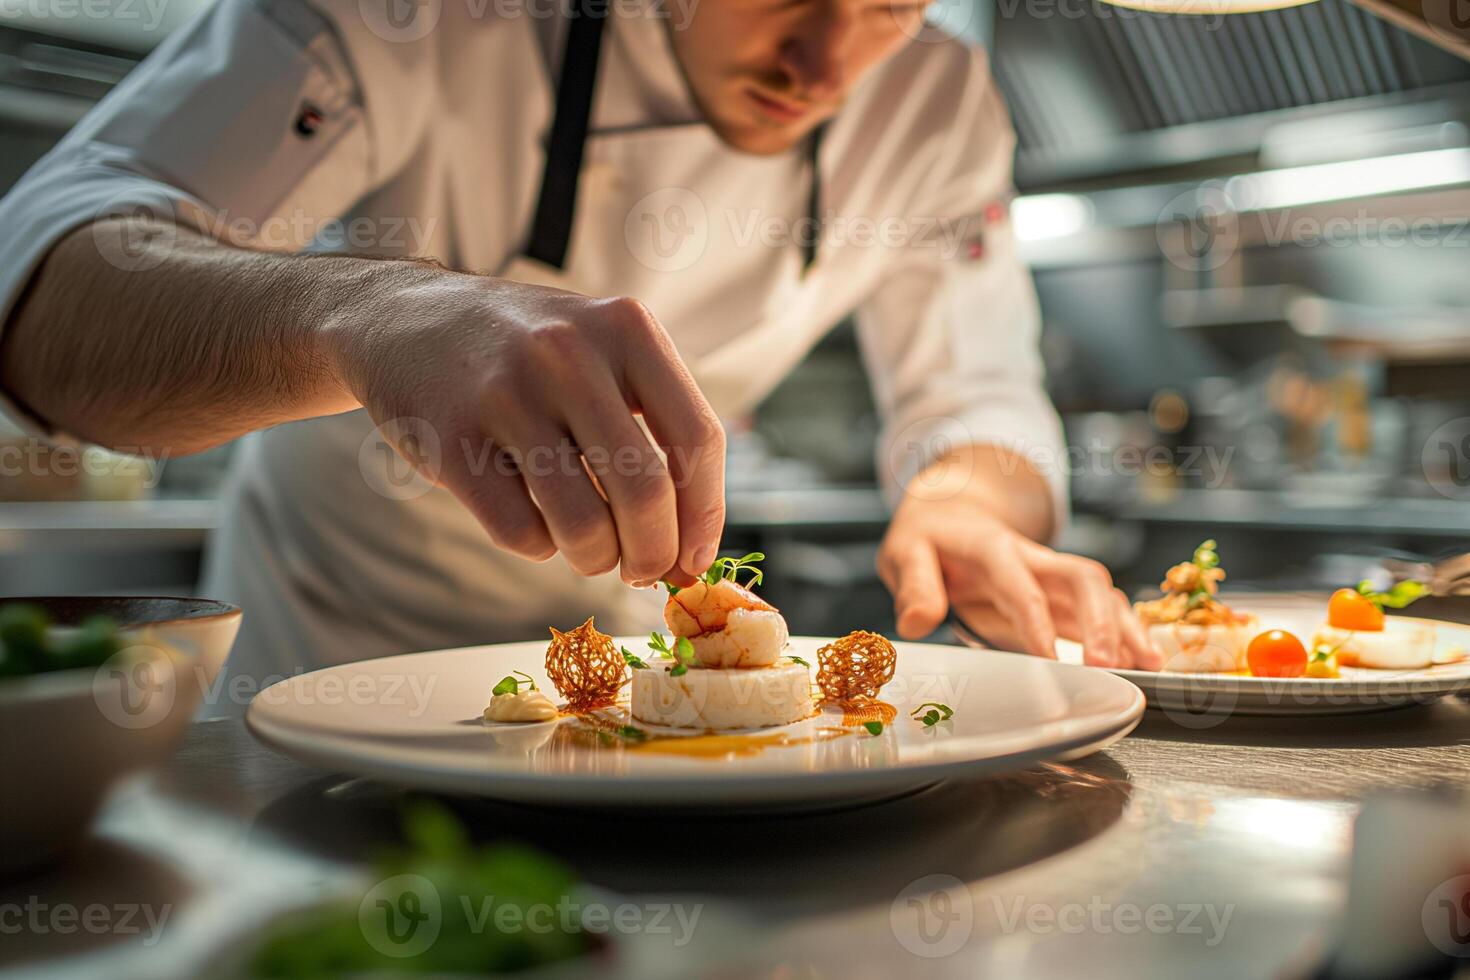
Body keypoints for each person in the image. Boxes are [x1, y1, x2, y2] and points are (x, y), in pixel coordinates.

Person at [0, 0, 1161, 712]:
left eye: (894, 4)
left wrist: (967, 498)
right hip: (325, 677)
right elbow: (45, 294)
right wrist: (376, 318)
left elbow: (975, 392)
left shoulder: (936, 99)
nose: (826, 65)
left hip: (617, 717)